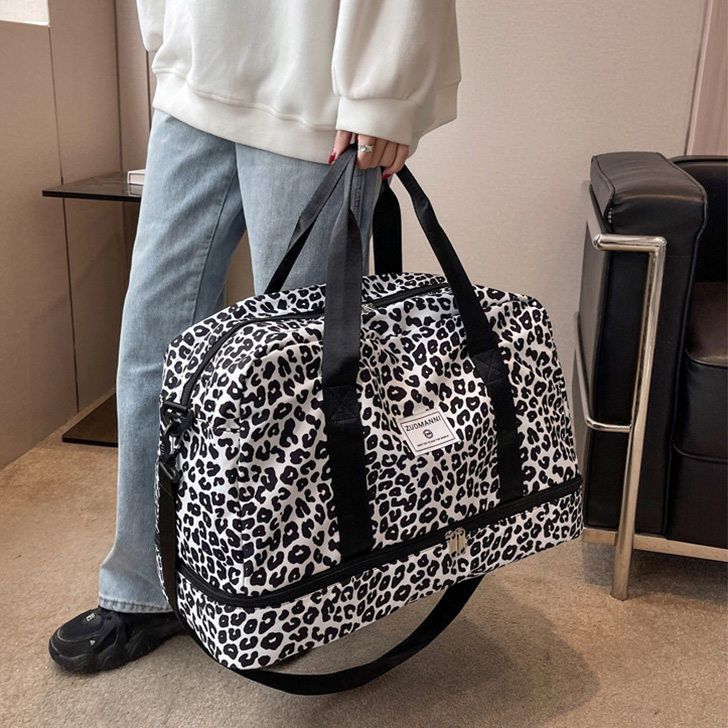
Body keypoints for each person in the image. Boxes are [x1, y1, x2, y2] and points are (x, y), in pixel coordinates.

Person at [48, 0, 461, 673]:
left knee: (297, 381)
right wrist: (166, 32)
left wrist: (385, 89)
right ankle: (148, 585)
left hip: (314, 94)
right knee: (152, 345)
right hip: (194, 76)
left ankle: (291, 590)